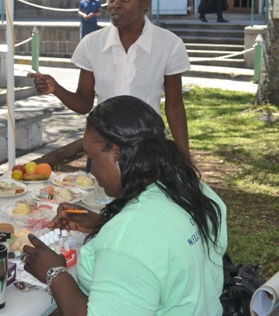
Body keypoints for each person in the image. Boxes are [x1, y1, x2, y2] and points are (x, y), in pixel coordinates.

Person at [23, 95, 227, 316]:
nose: (91, 171)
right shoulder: (193, 188)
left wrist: (55, 273)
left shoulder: (127, 241)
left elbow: (134, 248)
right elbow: (160, 241)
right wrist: (103, 224)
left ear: (116, 153)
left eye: (93, 158)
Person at [28, 0, 191, 155]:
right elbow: (84, 103)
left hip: (149, 150)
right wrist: (55, 88)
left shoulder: (169, 44)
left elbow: (175, 106)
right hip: (103, 150)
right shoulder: (92, 43)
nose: (115, 5)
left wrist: (184, 157)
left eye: (126, 0)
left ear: (145, 3)